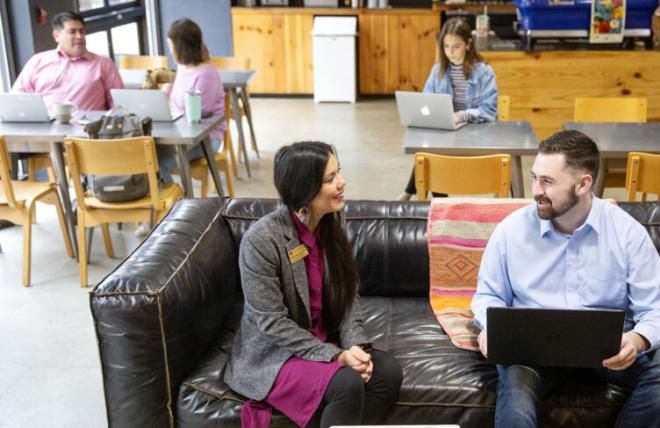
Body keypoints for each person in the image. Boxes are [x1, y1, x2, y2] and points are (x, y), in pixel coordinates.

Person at [471, 130, 660, 428]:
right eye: (535, 177)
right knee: (515, 387)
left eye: (547, 181)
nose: (536, 190)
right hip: (533, 351)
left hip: (609, 351)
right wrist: (489, 327)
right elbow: (487, 296)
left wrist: (637, 340)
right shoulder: (510, 231)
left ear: (583, 183)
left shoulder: (627, 233)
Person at [224, 141, 403, 428]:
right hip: (278, 351)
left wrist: (354, 346)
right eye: (330, 179)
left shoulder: (331, 224)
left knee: (388, 372)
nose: (342, 182)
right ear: (304, 189)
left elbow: (348, 296)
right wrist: (337, 355)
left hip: (325, 339)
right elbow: (272, 323)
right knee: (345, 382)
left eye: (339, 172)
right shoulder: (261, 240)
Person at [398, 18, 499, 201]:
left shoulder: (484, 71)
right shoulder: (438, 70)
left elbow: (490, 111)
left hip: (474, 132)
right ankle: (438, 201)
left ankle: (412, 194)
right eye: (446, 47)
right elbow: (425, 102)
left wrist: (460, 115)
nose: (450, 52)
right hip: (447, 131)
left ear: (468, 44)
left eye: (456, 47)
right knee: (432, 150)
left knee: (431, 153)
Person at [157, 18, 225, 186]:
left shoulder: (206, 74)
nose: (170, 49)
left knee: (156, 164)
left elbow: (198, 115)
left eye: (171, 44)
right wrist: (168, 92)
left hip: (206, 138)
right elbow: (179, 104)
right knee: (147, 156)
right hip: (181, 132)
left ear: (179, 46)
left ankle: (173, 206)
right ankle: (167, 204)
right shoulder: (182, 67)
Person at [12, 11, 123, 111]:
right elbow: (18, 97)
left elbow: (119, 103)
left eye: (82, 31)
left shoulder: (103, 63)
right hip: (45, 129)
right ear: (57, 36)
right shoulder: (38, 61)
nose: (79, 36)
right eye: (72, 32)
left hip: (88, 130)